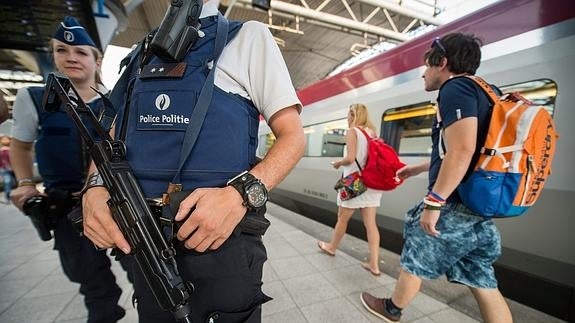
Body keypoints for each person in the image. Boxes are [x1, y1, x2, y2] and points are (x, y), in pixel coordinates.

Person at [81, 0, 305, 322]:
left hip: (221, 246)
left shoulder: (249, 38)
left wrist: (240, 195)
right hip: (146, 246)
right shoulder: (141, 53)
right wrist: (95, 185)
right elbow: (110, 136)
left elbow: (293, 138)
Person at [360, 33, 513, 323]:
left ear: (442, 62)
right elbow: (467, 149)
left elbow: (463, 148)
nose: (423, 73)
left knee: (417, 254)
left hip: (455, 204)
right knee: (482, 279)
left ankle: (392, 309)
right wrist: (418, 168)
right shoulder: (488, 91)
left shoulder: (455, 88)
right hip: (479, 203)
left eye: (427, 65)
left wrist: (434, 203)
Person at [10, 16, 128, 323]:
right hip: (67, 209)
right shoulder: (34, 99)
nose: (71, 57)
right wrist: (24, 182)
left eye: (81, 52)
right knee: (94, 285)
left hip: (120, 205)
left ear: (96, 60)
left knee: (146, 273)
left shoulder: (115, 103)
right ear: (53, 56)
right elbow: (20, 145)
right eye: (62, 50)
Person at [317, 103, 383, 276]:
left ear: (353, 115)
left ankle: (331, 247)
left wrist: (338, 163)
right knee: (371, 225)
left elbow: (351, 158)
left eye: (348, 115)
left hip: (355, 184)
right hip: (371, 185)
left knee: (342, 218)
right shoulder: (372, 133)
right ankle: (374, 265)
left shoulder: (353, 132)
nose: (347, 118)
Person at [0, 135, 12, 203]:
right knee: (8, 182)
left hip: (12, 169)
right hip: (4, 169)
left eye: (6, 139)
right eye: (3, 139)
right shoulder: (1, 151)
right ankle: (7, 198)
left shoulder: (10, 149)